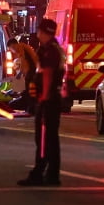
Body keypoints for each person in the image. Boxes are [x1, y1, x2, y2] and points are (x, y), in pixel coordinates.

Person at [19, 18, 64, 187]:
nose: (37, 34)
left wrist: (43, 100)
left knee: (45, 139)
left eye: (39, 31)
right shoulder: (50, 49)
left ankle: (43, 174)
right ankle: (49, 174)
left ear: (44, 32)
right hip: (49, 100)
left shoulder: (49, 51)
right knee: (48, 139)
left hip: (48, 101)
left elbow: (47, 76)